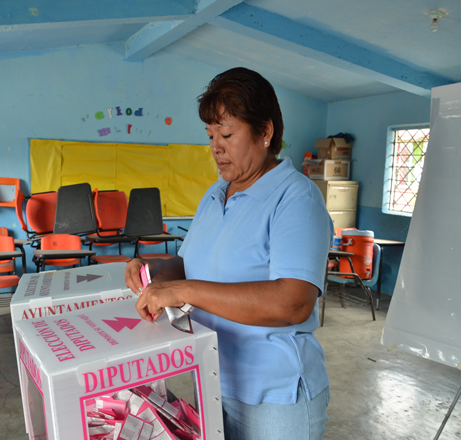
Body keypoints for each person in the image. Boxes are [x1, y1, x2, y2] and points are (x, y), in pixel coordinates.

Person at [124, 67, 333, 440]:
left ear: (265, 132)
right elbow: (188, 265)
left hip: (273, 396)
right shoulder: (215, 194)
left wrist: (184, 291)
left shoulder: (296, 198)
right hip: (213, 379)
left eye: (227, 134)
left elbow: (293, 302)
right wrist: (152, 271)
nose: (215, 147)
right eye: (210, 135)